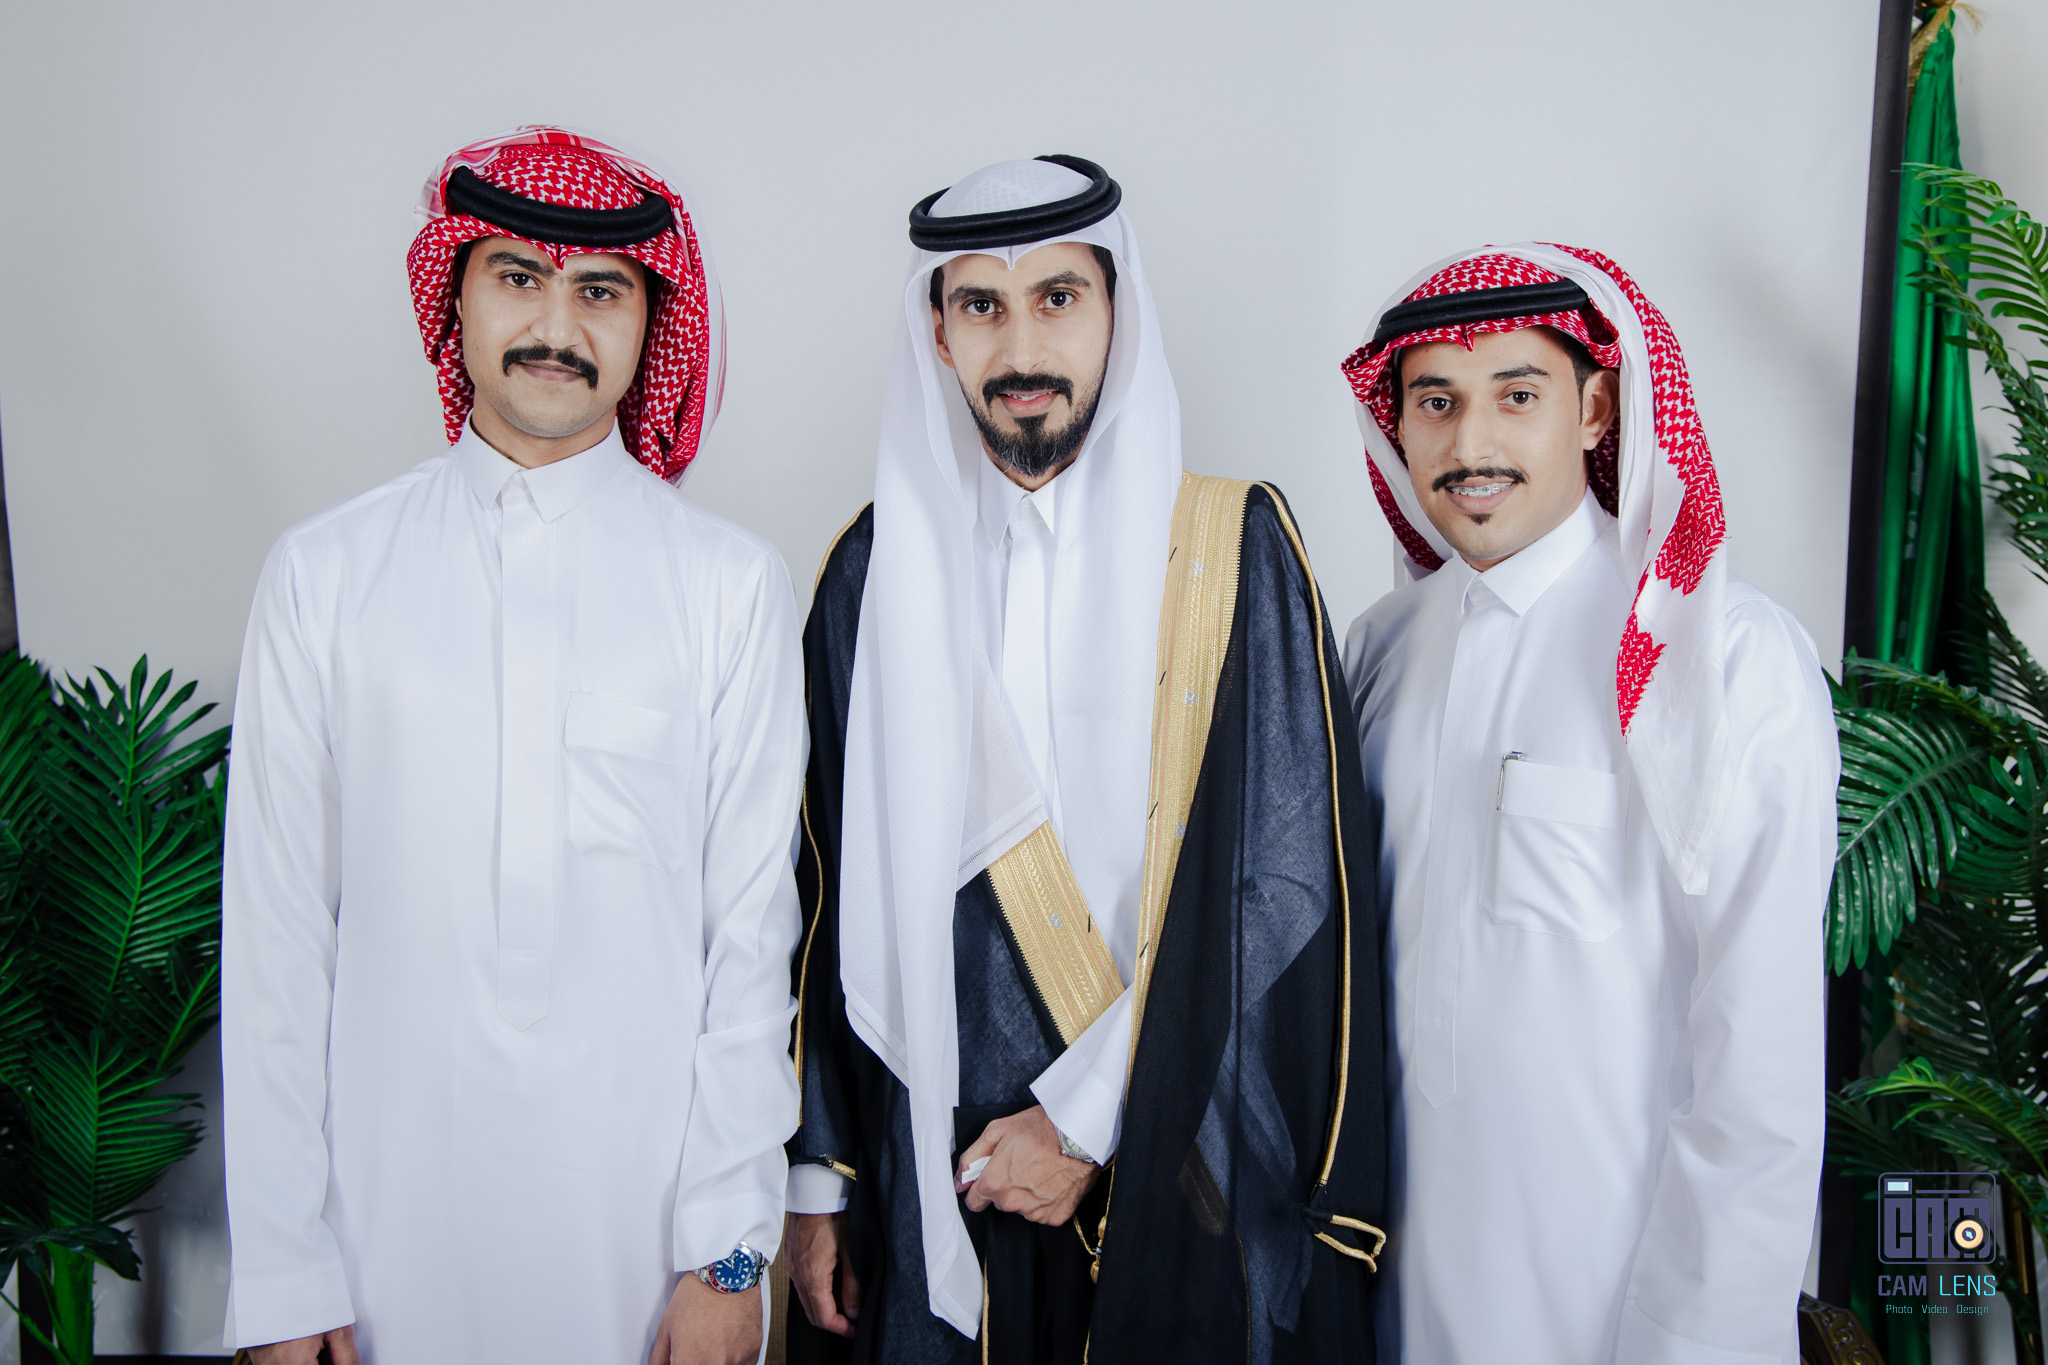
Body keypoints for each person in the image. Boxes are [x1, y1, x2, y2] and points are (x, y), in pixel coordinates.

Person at [781, 155, 1387, 1365]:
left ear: (1117, 312)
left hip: (1179, 1148)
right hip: (935, 1167)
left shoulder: (1232, 546)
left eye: (1057, 298)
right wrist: (817, 1181)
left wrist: (1080, 1119)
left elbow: (1284, 884)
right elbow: (816, 882)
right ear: (938, 333)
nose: (1021, 348)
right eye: (981, 305)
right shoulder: (869, 571)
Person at [221, 126, 803, 1365]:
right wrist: (281, 1274)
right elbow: (276, 942)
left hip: (647, 1251)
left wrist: (730, 1260)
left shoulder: (729, 588)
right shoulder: (325, 574)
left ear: (648, 323)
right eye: (518, 278)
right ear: (455, 300)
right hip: (376, 1245)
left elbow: (750, 949)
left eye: (600, 291)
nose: (556, 325)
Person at [1338, 246, 1836, 1363]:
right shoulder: (1380, 651)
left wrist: (1697, 1339)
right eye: (1435, 402)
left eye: (1517, 395)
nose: (1470, 444)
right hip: (1384, 1294)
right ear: (1397, 422)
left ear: (1596, 408)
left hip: (1614, 1307)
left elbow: (1757, 1061)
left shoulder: (1718, 655)